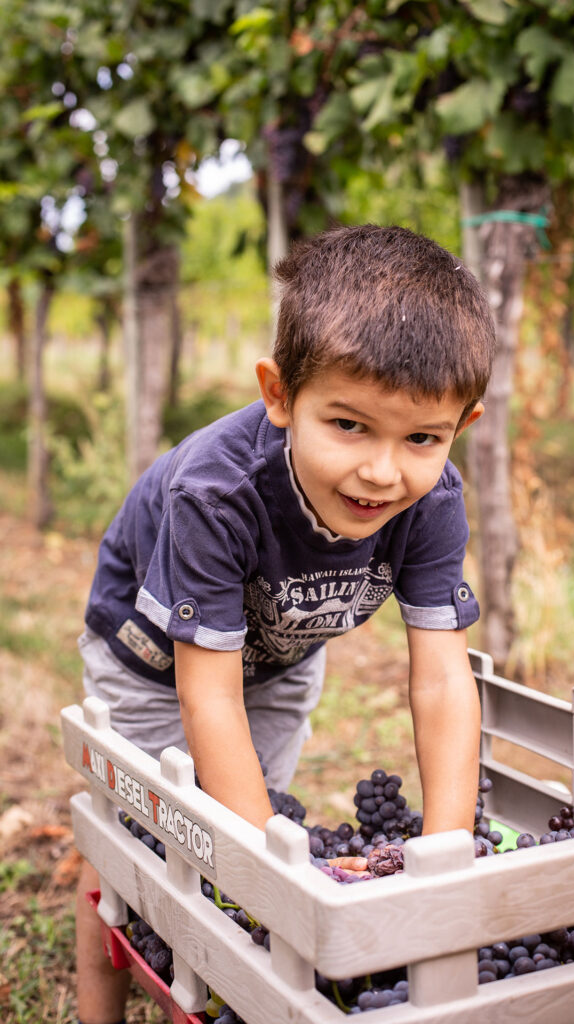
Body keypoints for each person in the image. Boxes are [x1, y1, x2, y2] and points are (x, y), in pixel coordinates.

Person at [75, 223, 496, 1024]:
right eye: (348, 425)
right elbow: (207, 696)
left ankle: (193, 992)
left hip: (281, 651)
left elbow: (442, 679)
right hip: (157, 660)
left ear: (460, 427)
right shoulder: (214, 493)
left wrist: (445, 865)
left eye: (420, 438)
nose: (381, 470)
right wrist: (275, 875)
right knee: (133, 841)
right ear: (278, 396)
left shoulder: (432, 500)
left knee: (230, 837)